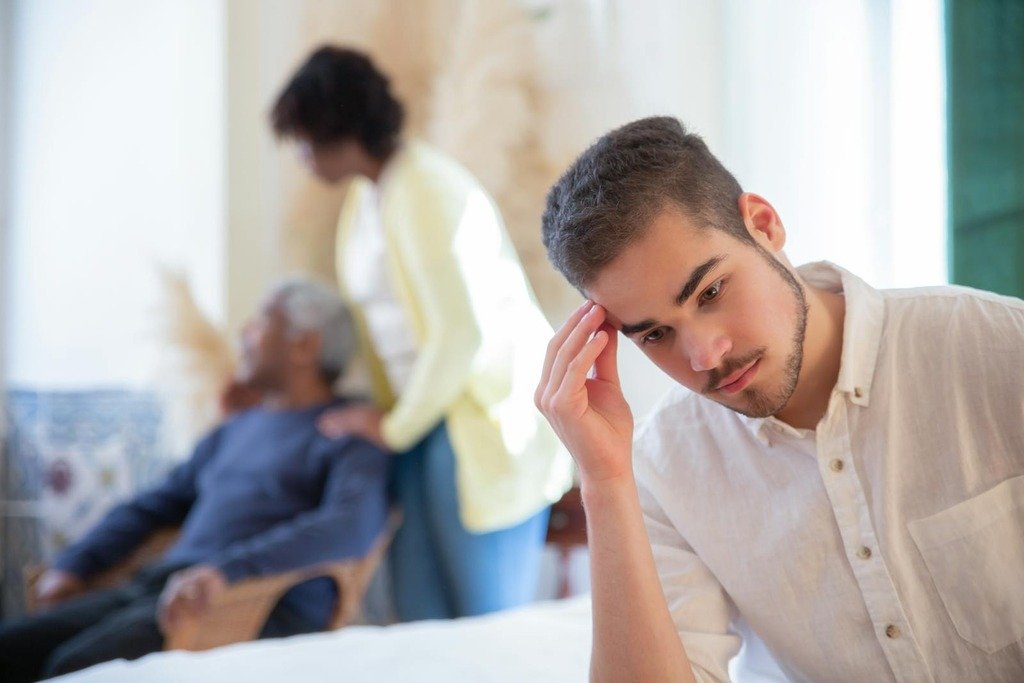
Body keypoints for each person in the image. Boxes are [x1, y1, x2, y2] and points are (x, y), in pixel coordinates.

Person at [537, 116, 1024, 681]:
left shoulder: (999, 349)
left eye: (711, 291)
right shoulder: (659, 468)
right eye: (654, 334)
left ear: (764, 225)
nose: (704, 355)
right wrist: (604, 482)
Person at [270, 46, 573, 621]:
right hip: (418, 428)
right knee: (419, 619)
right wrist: (392, 423)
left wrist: (391, 427)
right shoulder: (368, 198)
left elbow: (459, 336)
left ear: (337, 128)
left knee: (485, 626)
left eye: (305, 138)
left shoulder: (429, 190)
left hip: (472, 428)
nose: (302, 156)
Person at [0, 277, 392, 681]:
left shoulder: (347, 434)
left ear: (304, 346)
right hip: (163, 590)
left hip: (246, 606)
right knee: (10, 647)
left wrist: (225, 571)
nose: (245, 333)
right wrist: (76, 564)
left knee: (75, 670)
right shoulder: (237, 429)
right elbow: (154, 504)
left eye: (261, 321)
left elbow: (352, 526)